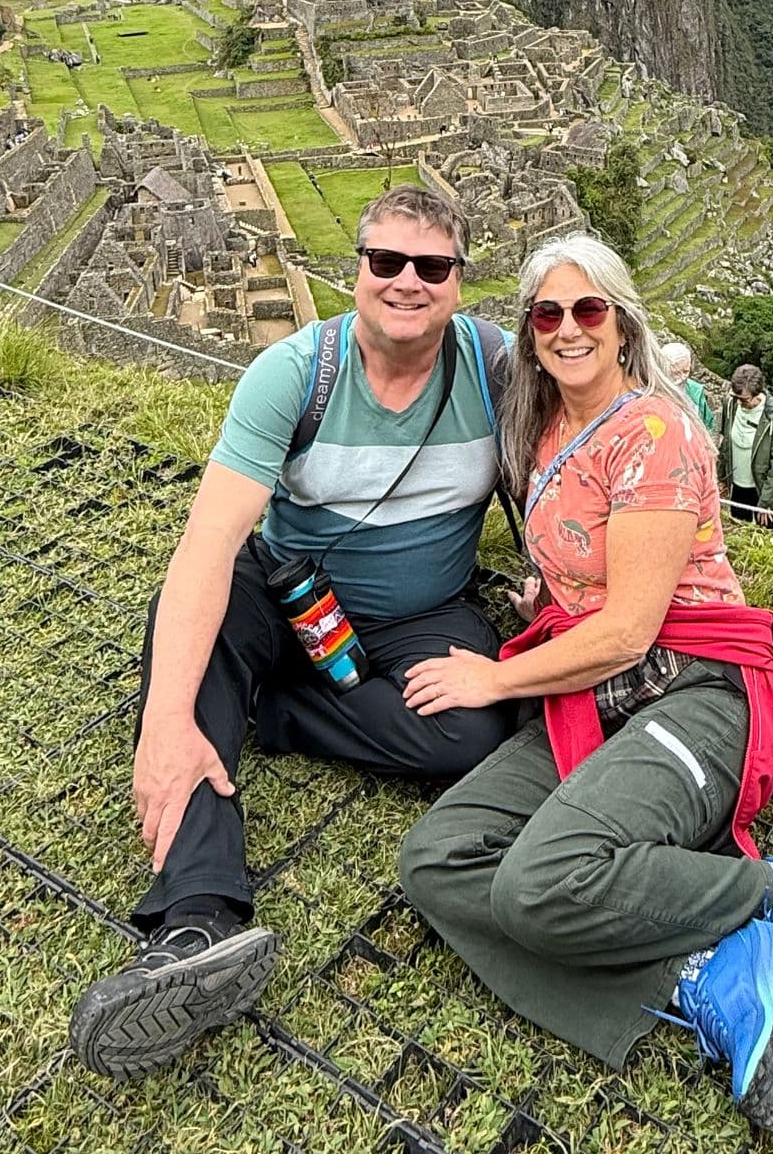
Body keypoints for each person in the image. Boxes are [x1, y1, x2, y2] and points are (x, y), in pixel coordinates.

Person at [397, 234, 773, 1134]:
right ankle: (698, 966)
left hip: (691, 688)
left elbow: (626, 631)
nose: (570, 329)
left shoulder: (657, 430)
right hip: (594, 697)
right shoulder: (538, 427)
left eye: (591, 310)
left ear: (624, 324)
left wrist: (491, 679)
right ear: (531, 331)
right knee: (435, 860)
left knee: (539, 885)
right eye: (549, 314)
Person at [70, 185, 516, 1079]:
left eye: (430, 266)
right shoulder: (295, 374)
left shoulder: (494, 366)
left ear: (459, 282)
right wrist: (161, 726)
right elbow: (207, 545)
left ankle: (262, 712)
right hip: (290, 591)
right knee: (190, 637)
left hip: (421, 612)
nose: (405, 283)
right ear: (357, 269)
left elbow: (552, 476)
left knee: (476, 732)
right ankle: (197, 916)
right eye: (385, 261)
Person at [720, 363, 773, 528]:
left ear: (757, 393)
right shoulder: (730, 405)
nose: (739, 402)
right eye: (736, 398)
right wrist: (722, 477)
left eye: (744, 399)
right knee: (737, 531)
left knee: (765, 538)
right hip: (737, 487)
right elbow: (725, 443)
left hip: (761, 490)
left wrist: (767, 502)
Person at [661, 337, 716, 435]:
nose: (682, 377)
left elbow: (708, 424)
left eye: (686, 371)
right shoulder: (653, 391)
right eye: (676, 373)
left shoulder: (696, 391)